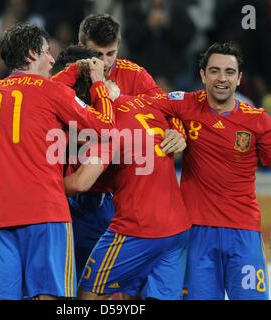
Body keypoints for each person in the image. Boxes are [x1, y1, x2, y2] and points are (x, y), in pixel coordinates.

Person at [0, 23, 115, 300]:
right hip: (44, 213)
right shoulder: (51, 92)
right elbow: (105, 127)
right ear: (31, 54)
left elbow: (31, 103)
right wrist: (99, 84)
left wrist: (72, 71)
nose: (51, 59)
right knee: (50, 296)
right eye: (46, 53)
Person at [52, 13, 186, 280]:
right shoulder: (66, 76)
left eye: (110, 53)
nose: (104, 62)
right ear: (80, 45)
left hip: (114, 196)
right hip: (71, 191)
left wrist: (178, 133)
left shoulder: (134, 75)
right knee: (76, 278)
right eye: (96, 54)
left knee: (117, 283)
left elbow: (169, 111)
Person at [158, 42, 271, 299]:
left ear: (240, 78)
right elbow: (144, 104)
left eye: (230, 72)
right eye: (215, 71)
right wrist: (168, 129)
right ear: (202, 75)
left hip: (243, 235)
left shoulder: (257, 120)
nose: (222, 79)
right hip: (196, 232)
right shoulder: (184, 105)